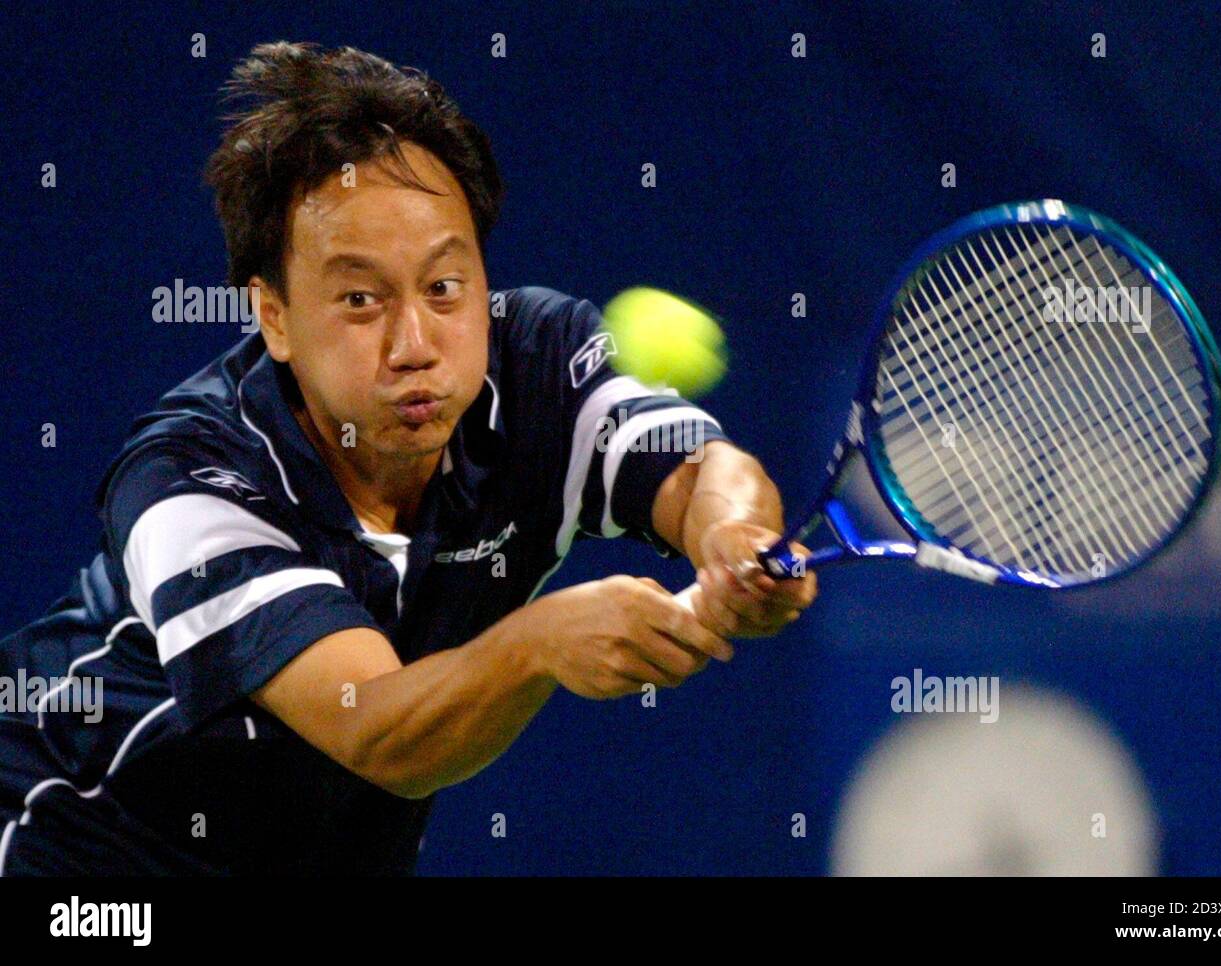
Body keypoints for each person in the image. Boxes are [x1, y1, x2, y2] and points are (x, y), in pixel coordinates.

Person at [0, 42, 816, 875]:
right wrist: (538, 643)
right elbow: (376, 729)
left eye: (443, 287)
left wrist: (731, 542)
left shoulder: (537, 363)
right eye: (361, 299)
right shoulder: (190, 477)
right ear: (273, 314)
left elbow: (698, 469)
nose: (415, 344)